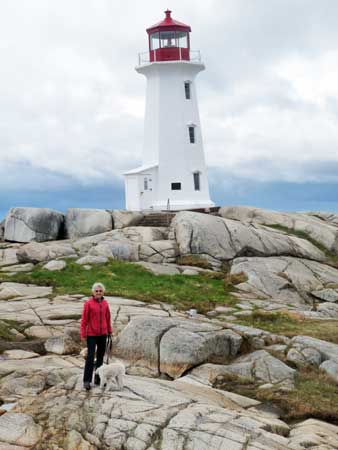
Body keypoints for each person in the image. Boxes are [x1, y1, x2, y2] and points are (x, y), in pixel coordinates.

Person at [80, 282, 112, 390]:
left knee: (100, 357)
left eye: (100, 291)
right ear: (93, 292)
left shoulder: (105, 303)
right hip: (91, 334)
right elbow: (84, 320)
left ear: (103, 292)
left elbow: (107, 318)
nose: (98, 292)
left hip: (103, 334)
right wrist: (83, 333)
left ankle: (98, 379)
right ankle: (87, 381)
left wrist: (109, 330)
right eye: (96, 291)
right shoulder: (88, 303)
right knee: (90, 357)